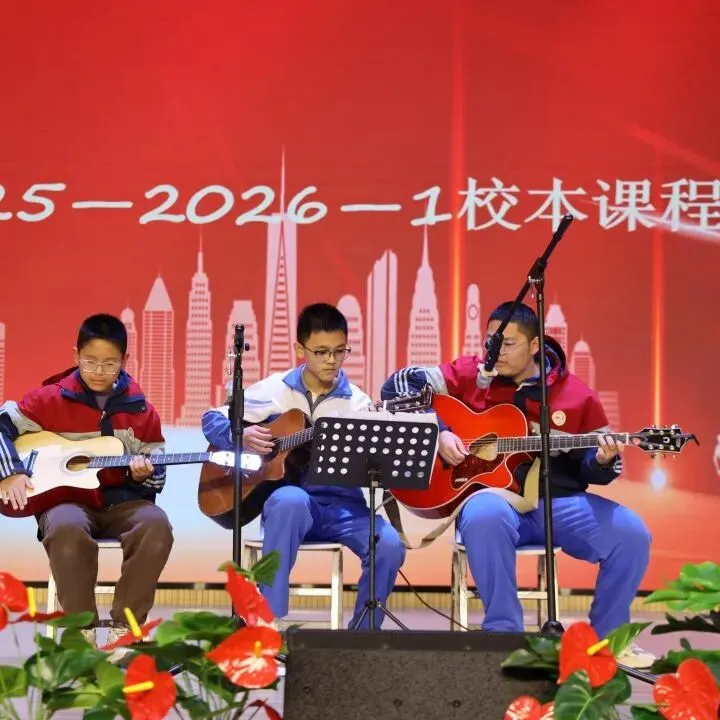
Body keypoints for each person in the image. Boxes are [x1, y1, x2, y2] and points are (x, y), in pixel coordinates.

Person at [382, 301, 654, 668]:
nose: (496, 352)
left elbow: (594, 469)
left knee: (631, 534)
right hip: (496, 501)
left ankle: (609, 641)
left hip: (558, 503)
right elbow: (397, 386)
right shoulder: (472, 373)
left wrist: (603, 460)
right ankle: (503, 635)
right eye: (491, 342)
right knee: (483, 514)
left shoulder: (575, 394)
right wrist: (439, 432)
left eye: (507, 343)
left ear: (535, 345)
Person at [202, 302, 406, 629]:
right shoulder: (276, 389)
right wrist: (240, 436)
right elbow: (212, 418)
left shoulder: (359, 403)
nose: (331, 360)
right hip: (294, 508)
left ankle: (363, 636)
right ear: (300, 349)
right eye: (321, 352)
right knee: (288, 499)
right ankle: (267, 624)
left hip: (345, 508)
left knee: (391, 544)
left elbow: (378, 469)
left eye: (340, 351)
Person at [0, 314, 174, 647]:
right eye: (90, 361)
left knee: (157, 525)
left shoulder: (142, 411)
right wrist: (11, 471)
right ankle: (82, 632)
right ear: (75, 355)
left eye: (109, 364)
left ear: (124, 360)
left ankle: (127, 631)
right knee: (66, 528)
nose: (98, 371)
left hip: (124, 503)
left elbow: (157, 479)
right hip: (65, 502)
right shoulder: (48, 399)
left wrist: (144, 474)